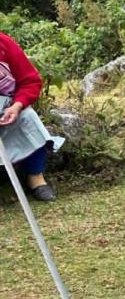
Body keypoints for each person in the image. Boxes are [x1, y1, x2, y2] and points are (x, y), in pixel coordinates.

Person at [0, 31, 64, 202]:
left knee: (28, 117)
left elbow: (30, 81)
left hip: (8, 109)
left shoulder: (4, 44)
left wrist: (17, 106)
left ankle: (36, 179)